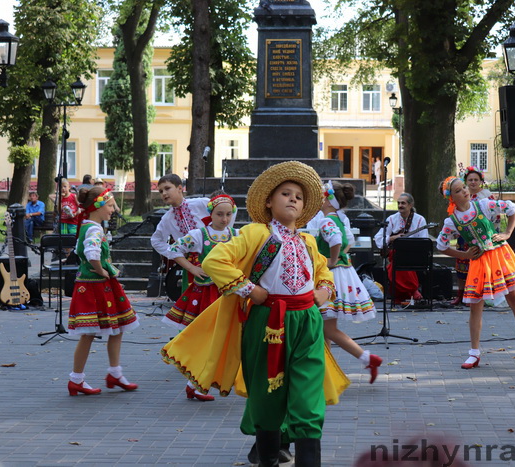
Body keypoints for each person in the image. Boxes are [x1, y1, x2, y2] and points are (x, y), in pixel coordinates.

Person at [161, 161, 350, 467]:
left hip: (307, 324)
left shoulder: (307, 241)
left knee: (308, 396)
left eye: (299, 197)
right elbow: (216, 261)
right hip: (267, 322)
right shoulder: (255, 233)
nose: (293, 199)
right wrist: (250, 290)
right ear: (268, 201)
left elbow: (323, 272)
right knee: (267, 393)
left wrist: (324, 291)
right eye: (285, 193)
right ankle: (268, 459)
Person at [436, 176, 515, 371]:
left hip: (498, 256)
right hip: (479, 262)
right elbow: (441, 245)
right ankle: (474, 353)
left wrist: (507, 233)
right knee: (475, 306)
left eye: (464, 187)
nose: (465, 191)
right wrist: (463, 254)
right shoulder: (452, 221)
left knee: (514, 299)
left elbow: (513, 209)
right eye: (459, 190)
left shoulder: (483, 205)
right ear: (451, 197)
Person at [162, 192, 239, 402]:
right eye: (220, 214)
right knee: (207, 338)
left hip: (228, 293)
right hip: (206, 294)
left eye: (228, 214)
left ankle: (196, 383)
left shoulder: (236, 234)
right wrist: (192, 268)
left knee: (221, 338)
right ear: (211, 214)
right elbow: (174, 249)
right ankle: (195, 382)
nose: (224, 219)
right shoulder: (199, 235)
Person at [66, 186, 140, 396]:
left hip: (90, 284)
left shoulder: (87, 225)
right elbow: (91, 253)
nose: (113, 209)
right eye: (109, 205)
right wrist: (102, 271)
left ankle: (107, 374)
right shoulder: (94, 229)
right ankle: (80, 378)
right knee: (95, 331)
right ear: (97, 207)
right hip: (96, 285)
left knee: (114, 329)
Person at [317, 181, 382, 382]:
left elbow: (336, 241)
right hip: (342, 274)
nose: (319, 200)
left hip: (332, 276)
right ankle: (325, 371)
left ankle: (366, 358)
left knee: (328, 328)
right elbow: (347, 242)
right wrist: (339, 258)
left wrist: (332, 261)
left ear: (329, 201)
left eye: (322, 196)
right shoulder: (338, 218)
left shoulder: (327, 221)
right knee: (324, 326)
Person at [151, 174, 226, 292]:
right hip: (191, 264)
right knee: (193, 296)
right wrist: (175, 253)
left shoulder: (201, 203)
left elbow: (230, 209)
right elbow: (156, 241)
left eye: (167, 188)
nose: (164, 193)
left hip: (214, 256)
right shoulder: (167, 219)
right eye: (161, 191)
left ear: (180, 188)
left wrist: (222, 234)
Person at [451, 166, 495, 306]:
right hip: (464, 235)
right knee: (461, 266)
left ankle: (477, 295)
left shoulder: (486, 196)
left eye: (476, 179)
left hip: (482, 236)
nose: (473, 182)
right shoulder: (461, 195)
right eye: (470, 180)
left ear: (481, 181)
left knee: (478, 266)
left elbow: (495, 216)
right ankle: (461, 294)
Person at [373, 193, 428, 303]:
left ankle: (401, 295)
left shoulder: (420, 220)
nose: (400, 205)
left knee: (396, 264)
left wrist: (410, 245)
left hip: (414, 255)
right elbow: (378, 238)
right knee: (398, 258)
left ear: (410, 205)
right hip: (396, 253)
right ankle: (413, 290)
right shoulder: (392, 219)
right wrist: (392, 238)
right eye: (398, 203)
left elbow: (424, 241)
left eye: (403, 203)